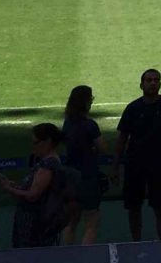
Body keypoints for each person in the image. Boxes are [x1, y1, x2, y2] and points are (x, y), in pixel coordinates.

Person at [112, 69, 161, 241]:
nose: (152, 83)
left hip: (160, 166)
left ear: (160, 83)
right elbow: (122, 138)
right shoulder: (132, 108)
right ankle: (136, 245)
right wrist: (115, 167)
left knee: (160, 208)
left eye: (156, 80)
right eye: (149, 80)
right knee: (134, 208)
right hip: (134, 166)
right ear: (141, 84)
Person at [1, 123, 67, 249]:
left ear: (47, 142)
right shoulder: (48, 162)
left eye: (35, 143)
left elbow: (33, 195)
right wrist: (16, 185)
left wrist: (10, 189)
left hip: (34, 224)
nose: (33, 147)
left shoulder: (48, 164)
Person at [61, 85, 106, 245]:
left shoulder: (67, 124)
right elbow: (102, 148)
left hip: (71, 177)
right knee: (91, 222)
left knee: (72, 222)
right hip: (88, 177)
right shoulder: (90, 125)